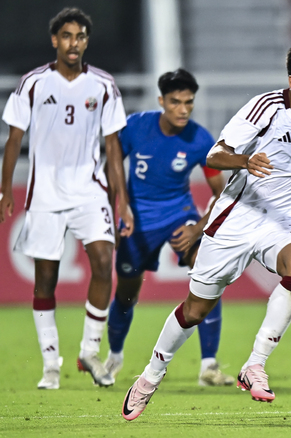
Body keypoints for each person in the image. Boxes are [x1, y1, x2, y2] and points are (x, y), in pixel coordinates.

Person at [121, 37, 291, 420]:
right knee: (194, 309)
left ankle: (254, 364)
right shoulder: (265, 109)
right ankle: (150, 377)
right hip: (236, 216)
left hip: (282, 217)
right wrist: (245, 161)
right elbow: (214, 155)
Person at [0, 8, 133, 389]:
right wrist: (5, 189)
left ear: (87, 41)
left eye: (81, 36)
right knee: (45, 279)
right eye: (67, 36)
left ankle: (90, 350)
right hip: (45, 195)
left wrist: (120, 200)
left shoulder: (104, 86)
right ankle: (49, 364)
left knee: (104, 261)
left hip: (90, 191)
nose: (74, 43)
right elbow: (14, 140)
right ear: (55, 40)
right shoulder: (33, 84)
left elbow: (112, 148)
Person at [103, 68, 232, 387]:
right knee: (127, 294)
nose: (183, 109)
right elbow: (113, 158)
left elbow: (223, 193)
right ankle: (114, 358)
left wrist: (199, 228)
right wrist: (120, 207)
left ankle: (209, 366)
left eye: (189, 102)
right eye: (175, 102)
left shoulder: (201, 139)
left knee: (209, 274)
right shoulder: (136, 126)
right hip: (139, 221)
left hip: (179, 215)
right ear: (161, 100)